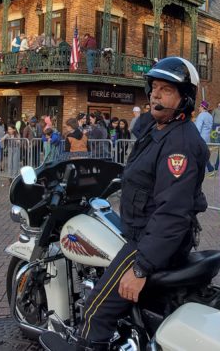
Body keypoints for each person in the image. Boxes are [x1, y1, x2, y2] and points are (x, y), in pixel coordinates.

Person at [40, 57, 208, 351]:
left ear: (185, 98)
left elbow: (172, 212)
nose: (156, 95)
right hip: (146, 235)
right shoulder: (159, 130)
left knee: (96, 312)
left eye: (166, 90)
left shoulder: (178, 143)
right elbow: (140, 174)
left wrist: (140, 268)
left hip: (149, 243)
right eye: (154, 88)